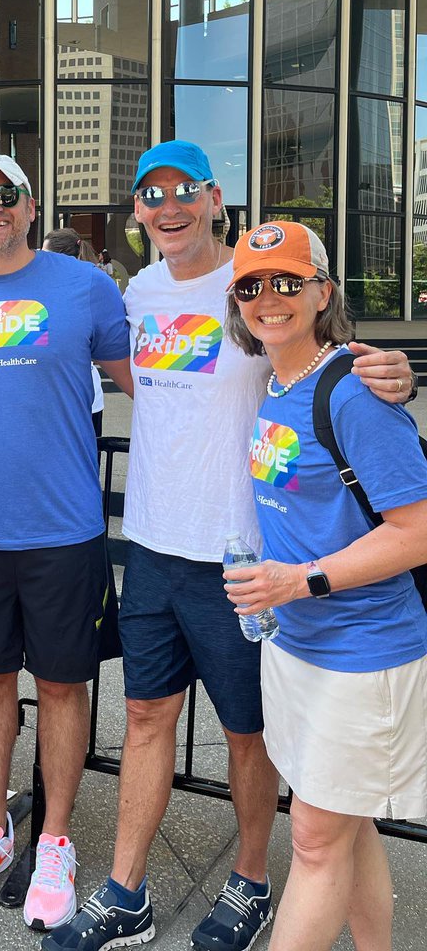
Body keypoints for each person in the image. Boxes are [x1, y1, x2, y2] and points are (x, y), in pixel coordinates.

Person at [45, 140, 416, 951]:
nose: (168, 207)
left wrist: (388, 373)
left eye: (185, 191)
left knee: (250, 734)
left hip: (247, 561)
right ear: (135, 210)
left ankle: (251, 883)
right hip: (148, 541)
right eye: (151, 194)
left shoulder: (251, 285)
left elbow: (322, 365)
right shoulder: (136, 291)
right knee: (145, 715)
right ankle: (125, 892)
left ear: (215, 199)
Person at [0, 153, 133, 933]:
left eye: (5, 194)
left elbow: (152, 378)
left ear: (31, 205)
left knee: (65, 686)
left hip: (66, 528)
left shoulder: (87, 288)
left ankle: (55, 841)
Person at [222, 220, 427, 951]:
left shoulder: (355, 391)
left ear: (322, 291)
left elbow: (418, 530)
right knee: (347, 824)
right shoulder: (277, 383)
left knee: (312, 840)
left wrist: (301, 579)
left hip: (363, 652)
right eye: (251, 285)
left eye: (286, 281)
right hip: (297, 645)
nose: (268, 298)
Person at [42, 228, 109, 436]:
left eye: (44, 255)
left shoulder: (83, 291)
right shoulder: (90, 287)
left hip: (69, 399)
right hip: (85, 396)